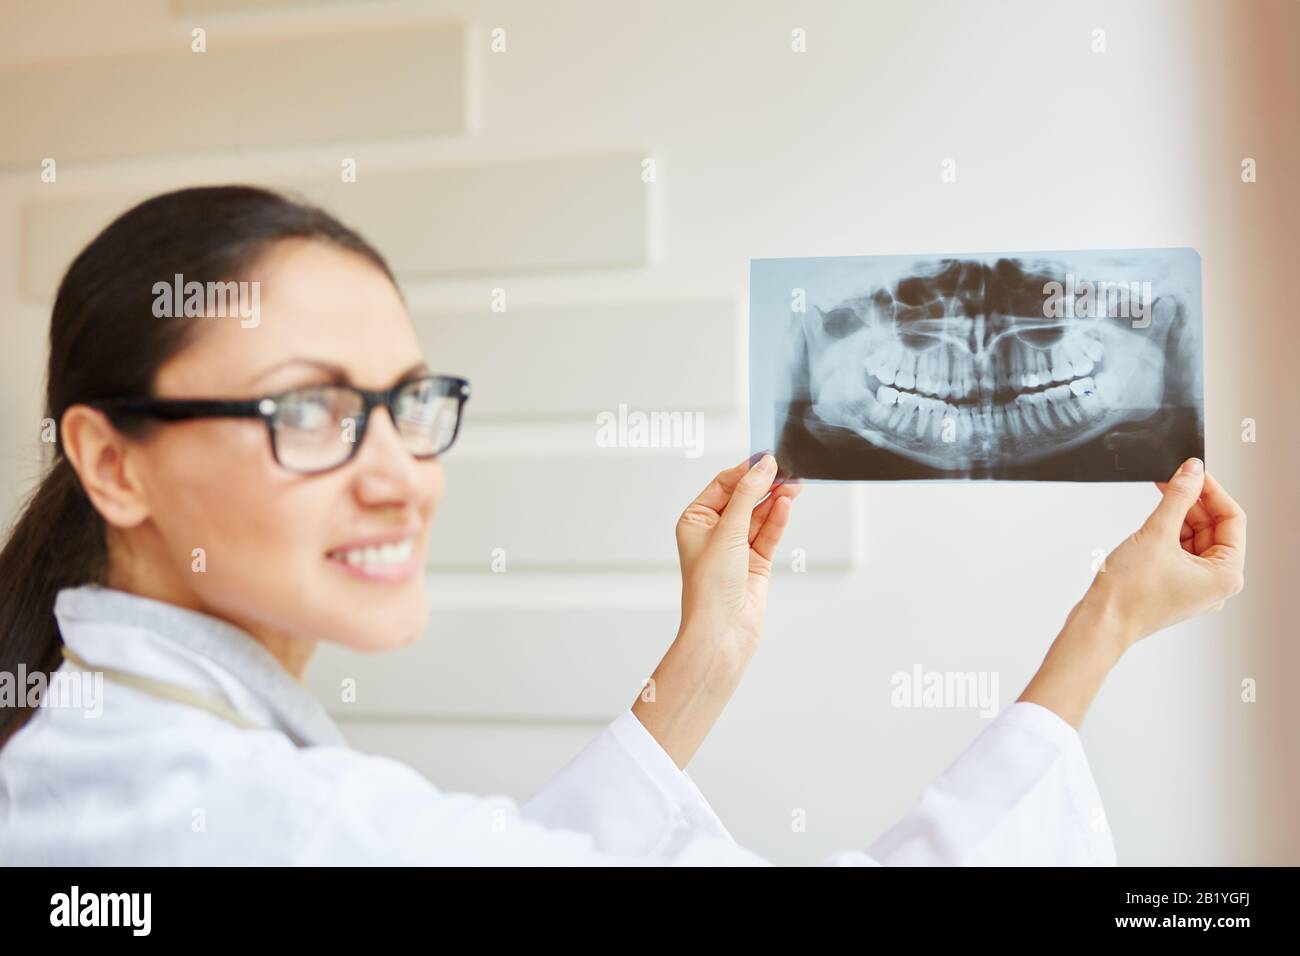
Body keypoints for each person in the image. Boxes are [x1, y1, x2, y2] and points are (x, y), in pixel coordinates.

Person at [0, 187, 1247, 865]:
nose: (399, 477)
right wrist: (1110, 621)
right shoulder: (270, 818)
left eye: (407, 405)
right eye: (311, 408)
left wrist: (704, 651)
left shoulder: (95, 754)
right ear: (111, 461)